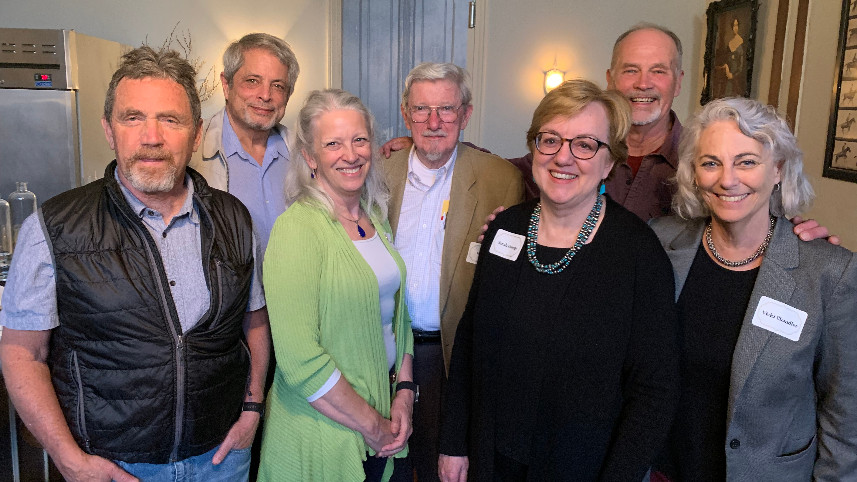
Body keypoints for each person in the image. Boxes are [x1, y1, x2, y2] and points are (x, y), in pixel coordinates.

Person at [0, 46, 269, 481]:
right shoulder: (53, 227)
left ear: (196, 133)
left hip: (221, 458)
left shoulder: (234, 218)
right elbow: (21, 353)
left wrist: (253, 409)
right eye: (133, 118)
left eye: (171, 119)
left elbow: (253, 323)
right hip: (113, 467)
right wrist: (69, 460)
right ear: (109, 130)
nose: (152, 137)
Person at [439, 79, 679, 481]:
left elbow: (654, 392)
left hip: (582, 468)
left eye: (585, 144)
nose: (563, 158)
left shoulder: (638, 254)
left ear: (609, 162)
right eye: (550, 140)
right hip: (490, 458)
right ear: (534, 149)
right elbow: (469, 341)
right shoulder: (506, 229)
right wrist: (453, 443)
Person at [650, 97, 857, 481]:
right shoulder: (659, 244)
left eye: (747, 162)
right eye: (711, 163)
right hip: (660, 471)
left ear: (777, 169)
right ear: (694, 173)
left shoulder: (830, 273)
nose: (728, 179)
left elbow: (847, 417)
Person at [259, 89, 415, 481]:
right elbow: (299, 360)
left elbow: (399, 317)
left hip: (384, 421)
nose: (351, 154)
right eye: (333, 144)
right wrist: (374, 427)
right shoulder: (297, 229)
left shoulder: (375, 217)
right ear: (310, 157)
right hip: (322, 436)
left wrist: (405, 394)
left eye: (359, 139)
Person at [382, 62, 525, 481]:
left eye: (446, 110)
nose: (433, 121)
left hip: (452, 360)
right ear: (406, 114)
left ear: (466, 114)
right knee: (382, 463)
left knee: (441, 470)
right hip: (384, 351)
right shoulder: (376, 172)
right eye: (421, 110)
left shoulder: (502, 179)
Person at [189, 32, 300, 253]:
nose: (265, 95)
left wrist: (389, 152)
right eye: (252, 81)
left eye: (278, 86)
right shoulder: (191, 153)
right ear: (226, 85)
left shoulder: (304, 151)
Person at [714, 18, 745, 98]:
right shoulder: (730, 43)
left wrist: (733, 75)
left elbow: (741, 65)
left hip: (734, 77)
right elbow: (726, 58)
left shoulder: (740, 42)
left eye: (737, 25)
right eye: (734, 25)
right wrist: (725, 67)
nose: (735, 28)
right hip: (726, 75)